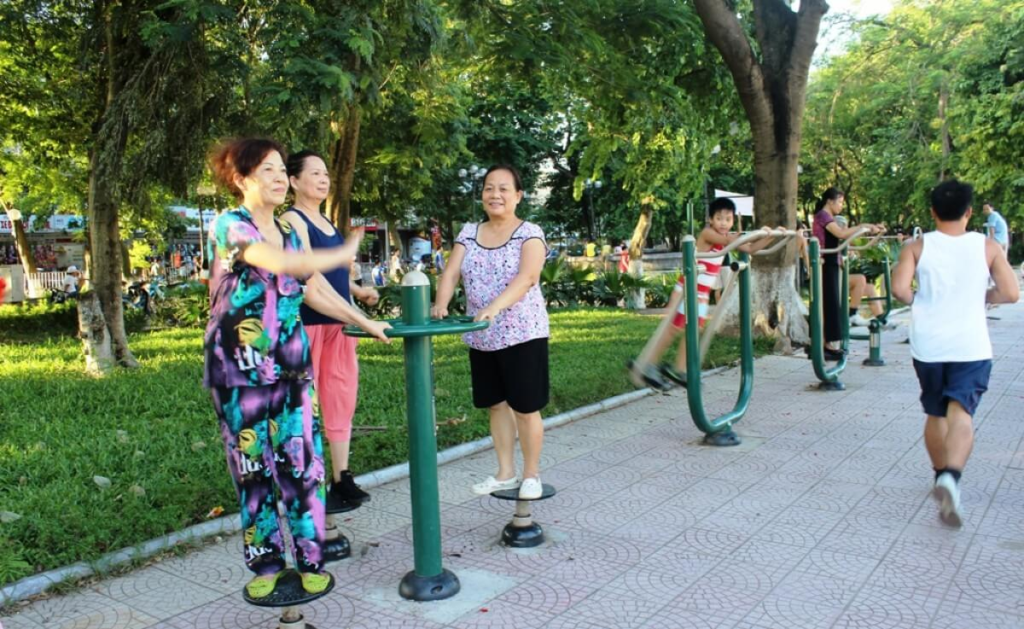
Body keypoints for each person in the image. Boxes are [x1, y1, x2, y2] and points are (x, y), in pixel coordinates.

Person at [204, 138, 389, 600]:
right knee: (253, 470)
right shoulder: (231, 225)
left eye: (281, 170)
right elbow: (281, 264)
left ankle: (310, 560)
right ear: (241, 179)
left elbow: (315, 292)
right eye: (267, 170)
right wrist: (342, 251)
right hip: (238, 373)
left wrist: (365, 322)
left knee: (302, 465)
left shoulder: (288, 231)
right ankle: (266, 565)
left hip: (289, 367)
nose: (279, 178)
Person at [892, 180, 1018, 527]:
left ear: (932, 212)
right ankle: (953, 476)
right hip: (970, 344)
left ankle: (938, 475)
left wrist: (922, 299)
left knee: (935, 411)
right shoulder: (988, 247)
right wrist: (982, 296)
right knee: (961, 411)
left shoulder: (916, 247)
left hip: (928, 344)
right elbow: (1010, 293)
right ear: (969, 212)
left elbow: (900, 290)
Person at [432, 164, 550, 500]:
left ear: (518, 196)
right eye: (488, 188)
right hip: (482, 336)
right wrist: (441, 303)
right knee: (496, 405)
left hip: (522, 333)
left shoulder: (530, 233)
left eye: (503, 189)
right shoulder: (469, 232)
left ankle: (531, 474)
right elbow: (451, 273)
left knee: (525, 407)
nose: (494, 195)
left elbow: (527, 278)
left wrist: (494, 307)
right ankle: (505, 472)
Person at [281, 149, 390, 509]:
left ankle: (341, 477)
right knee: (306, 409)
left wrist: (359, 291)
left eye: (326, 173)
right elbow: (311, 284)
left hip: (339, 326)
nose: (324, 179)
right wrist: (361, 318)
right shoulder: (294, 221)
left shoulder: (327, 222)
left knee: (341, 401)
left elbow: (335, 274)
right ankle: (309, 484)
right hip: (310, 326)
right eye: (315, 173)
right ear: (294, 181)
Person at [628, 198, 775, 390]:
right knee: (672, 329)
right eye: (719, 218)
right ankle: (647, 365)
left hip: (702, 294)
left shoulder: (728, 238)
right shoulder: (708, 233)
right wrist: (757, 233)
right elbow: (736, 241)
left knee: (693, 333)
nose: (723, 222)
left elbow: (750, 249)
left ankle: (679, 370)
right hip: (688, 289)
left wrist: (770, 236)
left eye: (728, 219)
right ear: (711, 220)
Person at [811, 188, 883, 360]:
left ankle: (828, 344)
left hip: (832, 262)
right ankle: (825, 346)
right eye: (840, 202)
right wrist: (863, 226)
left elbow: (842, 237)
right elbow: (841, 233)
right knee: (829, 304)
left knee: (832, 304)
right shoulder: (823, 216)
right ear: (830, 201)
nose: (841, 206)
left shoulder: (829, 218)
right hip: (825, 262)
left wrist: (871, 230)